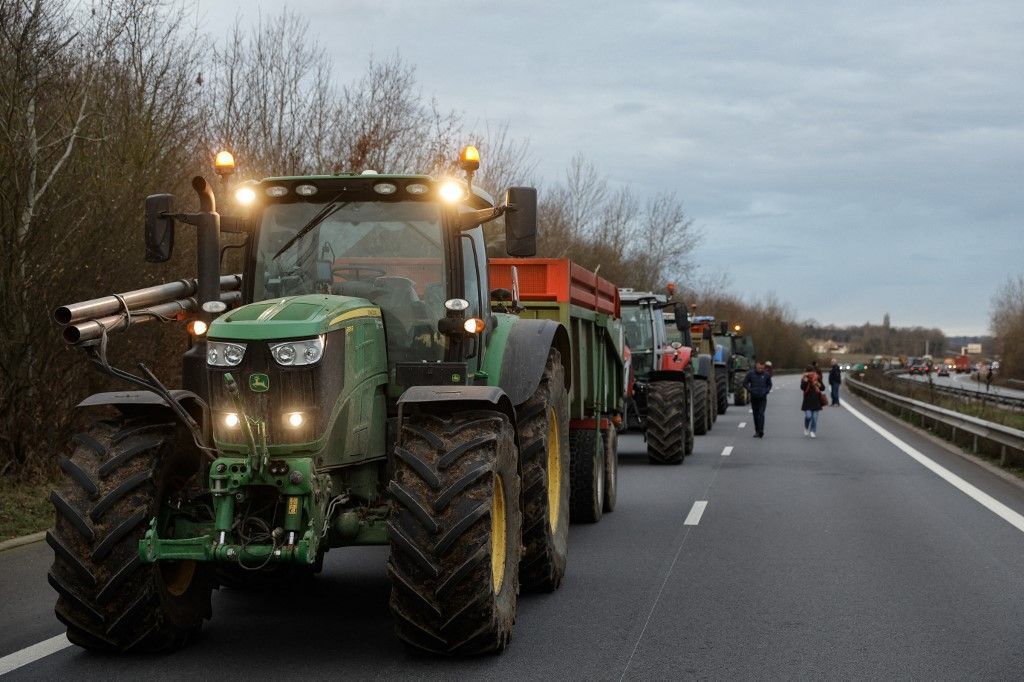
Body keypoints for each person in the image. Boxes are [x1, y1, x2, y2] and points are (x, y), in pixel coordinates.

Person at [742, 360, 773, 438]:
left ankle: (761, 430)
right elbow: (744, 383)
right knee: (755, 415)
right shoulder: (750, 374)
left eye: (762, 368)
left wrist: (766, 391)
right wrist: (750, 390)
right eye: (759, 368)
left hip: (763, 398)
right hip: (754, 397)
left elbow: (770, 384)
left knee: (761, 414)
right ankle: (757, 431)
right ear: (756, 366)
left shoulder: (766, 375)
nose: (760, 369)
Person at [800, 365, 826, 438]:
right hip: (807, 401)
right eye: (809, 372)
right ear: (806, 372)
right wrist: (805, 381)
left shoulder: (817, 378)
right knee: (808, 416)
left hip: (816, 401)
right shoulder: (804, 378)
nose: (810, 373)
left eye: (812, 371)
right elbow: (802, 388)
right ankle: (806, 427)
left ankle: (812, 431)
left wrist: (817, 383)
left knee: (814, 418)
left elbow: (823, 388)